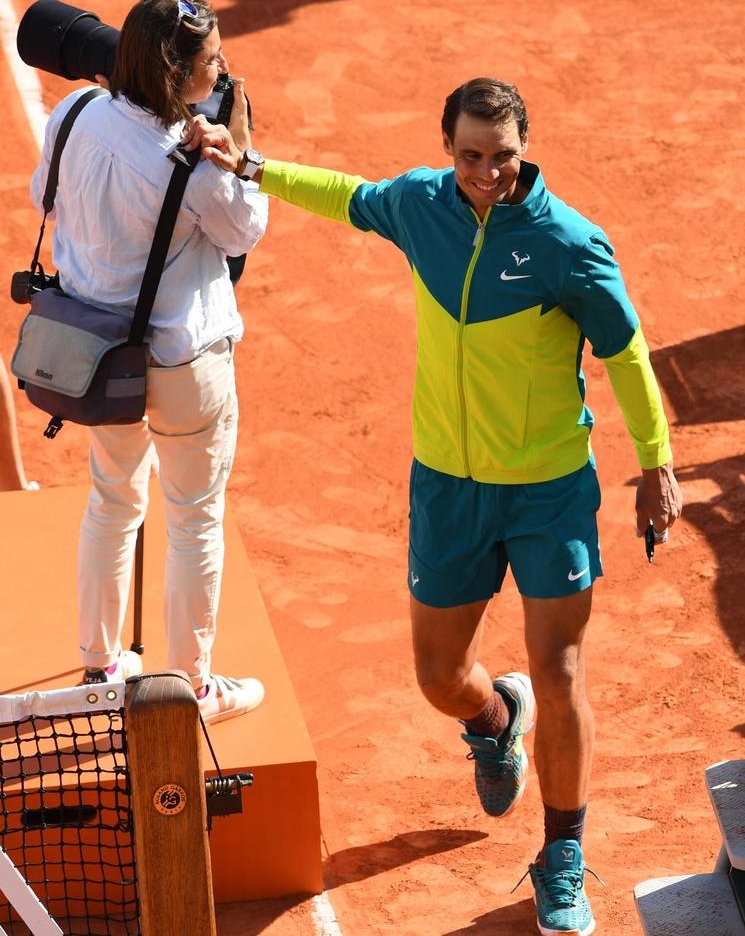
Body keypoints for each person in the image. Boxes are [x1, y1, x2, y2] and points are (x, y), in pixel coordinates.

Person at [189, 77, 682, 931]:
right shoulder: (422, 204)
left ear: (525, 148)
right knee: (439, 677)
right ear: (446, 147)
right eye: (469, 156)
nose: (486, 173)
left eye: (502, 157)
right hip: (447, 484)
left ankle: (561, 852)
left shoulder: (568, 243)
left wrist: (655, 464)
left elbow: (627, 352)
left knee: (560, 666)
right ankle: (497, 719)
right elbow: (347, 195)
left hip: (546, 487)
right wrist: (254, 165)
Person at [29, 0, 269, 724]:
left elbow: (46, 196)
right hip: (185, 366)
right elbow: (244, 232)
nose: (223, 68)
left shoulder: (69, 115)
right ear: (177, 74)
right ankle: (190, 687)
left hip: (97, 358)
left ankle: (102, 664)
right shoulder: (195, 166)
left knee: (112, 497)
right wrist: (241, 153)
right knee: (193, 518)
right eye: (211, 60)